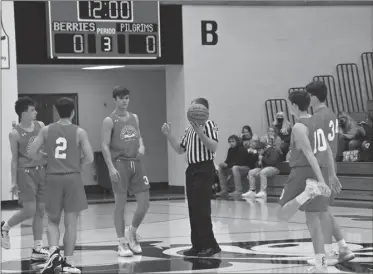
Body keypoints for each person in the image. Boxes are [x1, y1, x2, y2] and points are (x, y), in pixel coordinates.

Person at [29, 97, 93, 274]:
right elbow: (90, 158)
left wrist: (47, 158)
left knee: (52, 221)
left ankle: (53, 254)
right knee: (71, 223)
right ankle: (68, 262)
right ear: (73, 112)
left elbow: (33, 153)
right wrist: (78, 162)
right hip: (72, 178)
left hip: (52, 178)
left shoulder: (46, 130)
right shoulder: (80, 132)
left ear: (57, 111)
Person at [277, 90, 333, 273]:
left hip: (303, 172)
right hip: (320, 170)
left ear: (293, 105)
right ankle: (321, 265)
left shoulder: (299, 127)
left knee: (282, 215)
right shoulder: (318, 121)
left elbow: (309, 154)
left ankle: (307, 193)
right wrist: (329, 176)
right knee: (313, 221)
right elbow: (329, 151)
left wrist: (320, 181)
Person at [161, 97, 221, 257]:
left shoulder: (209, 124)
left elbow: (213, 146)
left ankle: (210, 245)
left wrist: (200, 133)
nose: (191, 110)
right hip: (191, 169)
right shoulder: (188, 130)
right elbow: (180, 149)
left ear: (204, 110)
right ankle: (197, 245)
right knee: (193, 209)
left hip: (205, 168)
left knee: (202, 209)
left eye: (195, 107)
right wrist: (169, 136)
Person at [305, 81, 355, 267]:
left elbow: (323, 147)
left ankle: (327, 253)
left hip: (322, 167)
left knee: (319, 212)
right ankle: (342, 247)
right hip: (329, 165)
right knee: (324, 210)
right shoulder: (331, 115)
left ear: (313, 97)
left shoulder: (317, 117)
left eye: (307, 95)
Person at [101, 86, 150, 257]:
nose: (125, 101)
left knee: (145, 203)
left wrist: (142, 145)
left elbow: (139, 136)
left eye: (127, 98)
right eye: (121, 98)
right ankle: (121, 242)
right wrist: (111, 167)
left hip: (136, 163)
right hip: (119, 163)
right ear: (114, 100)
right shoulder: (109, 120)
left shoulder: (134, 117)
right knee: (120, 205)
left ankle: (132, 232)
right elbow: (104, 146)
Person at [1, 97, 49, 260]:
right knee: (30, 209)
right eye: (32, 110)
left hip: (41, 171)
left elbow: (45, 147)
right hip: (25, 173)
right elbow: (14, 159)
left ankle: (37, 248)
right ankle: (5, 227)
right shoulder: (14, 133)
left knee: (41, 211)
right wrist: (14, 181)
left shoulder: (40, 126)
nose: (36, 112)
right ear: (23, 113)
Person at [242, 126, 282, 198]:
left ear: (264, 148)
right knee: (251, 172)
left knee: (263, 172)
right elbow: (257, 164)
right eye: (258, 151)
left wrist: (263, 158)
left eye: (260, 150)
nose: (259, 152)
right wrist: (258, 163)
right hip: (265, 167)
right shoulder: (260, 154)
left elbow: (272, 162)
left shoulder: (272, 150)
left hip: (274, 168)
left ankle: (263, 191)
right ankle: (252, 190)